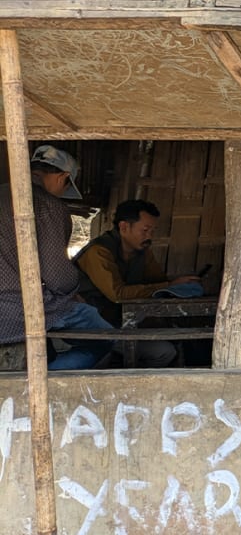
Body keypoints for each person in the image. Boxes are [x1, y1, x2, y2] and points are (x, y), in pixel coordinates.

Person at [0, 144, 114, 370]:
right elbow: (57, 276)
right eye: (64, 187)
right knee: (104, 336)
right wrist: (74, 293)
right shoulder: (49, 206)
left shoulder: (2, 193)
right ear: (62, 177)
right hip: (21, 309)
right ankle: (46, 378)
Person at [74, 199, 201, 367]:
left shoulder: (142, 252)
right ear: (124, 227)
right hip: (92, 328)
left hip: (123, 325)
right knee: (163, 351)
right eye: (145, 230)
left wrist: (181, 286)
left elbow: (158, 281)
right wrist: (169, 285)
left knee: (174, 343)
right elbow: (117, 294)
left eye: (153, 231)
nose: (150, 236)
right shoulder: (98, 252)